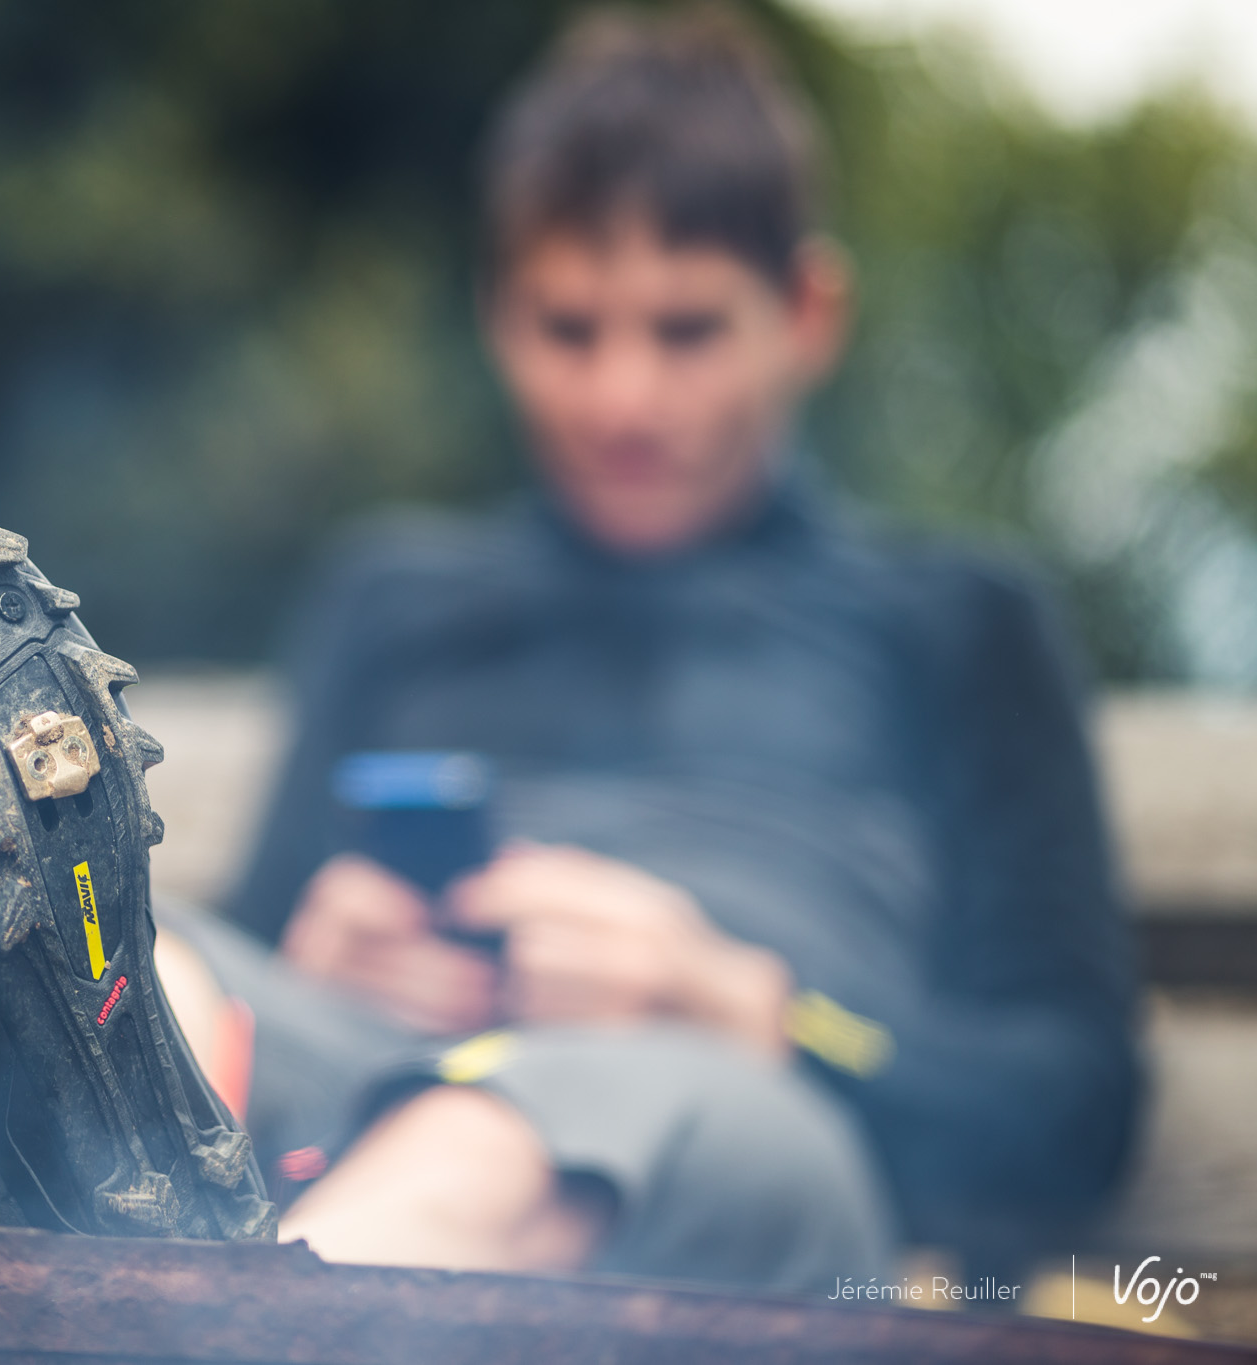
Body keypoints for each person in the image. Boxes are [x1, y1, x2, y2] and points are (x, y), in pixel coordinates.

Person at [152, 3, 1139, 1292]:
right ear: (498, 317)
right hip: (366, 1065)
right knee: (142, 970)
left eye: (687, 331)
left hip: (736, 1113)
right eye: (570, 330)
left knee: (495, 1140)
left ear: (807, 314)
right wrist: (318, 957)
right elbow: (258, 973)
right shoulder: (392, 598)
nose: (623, 399)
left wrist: (751, 1009)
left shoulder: (955, 620)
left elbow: (1075, 1106)